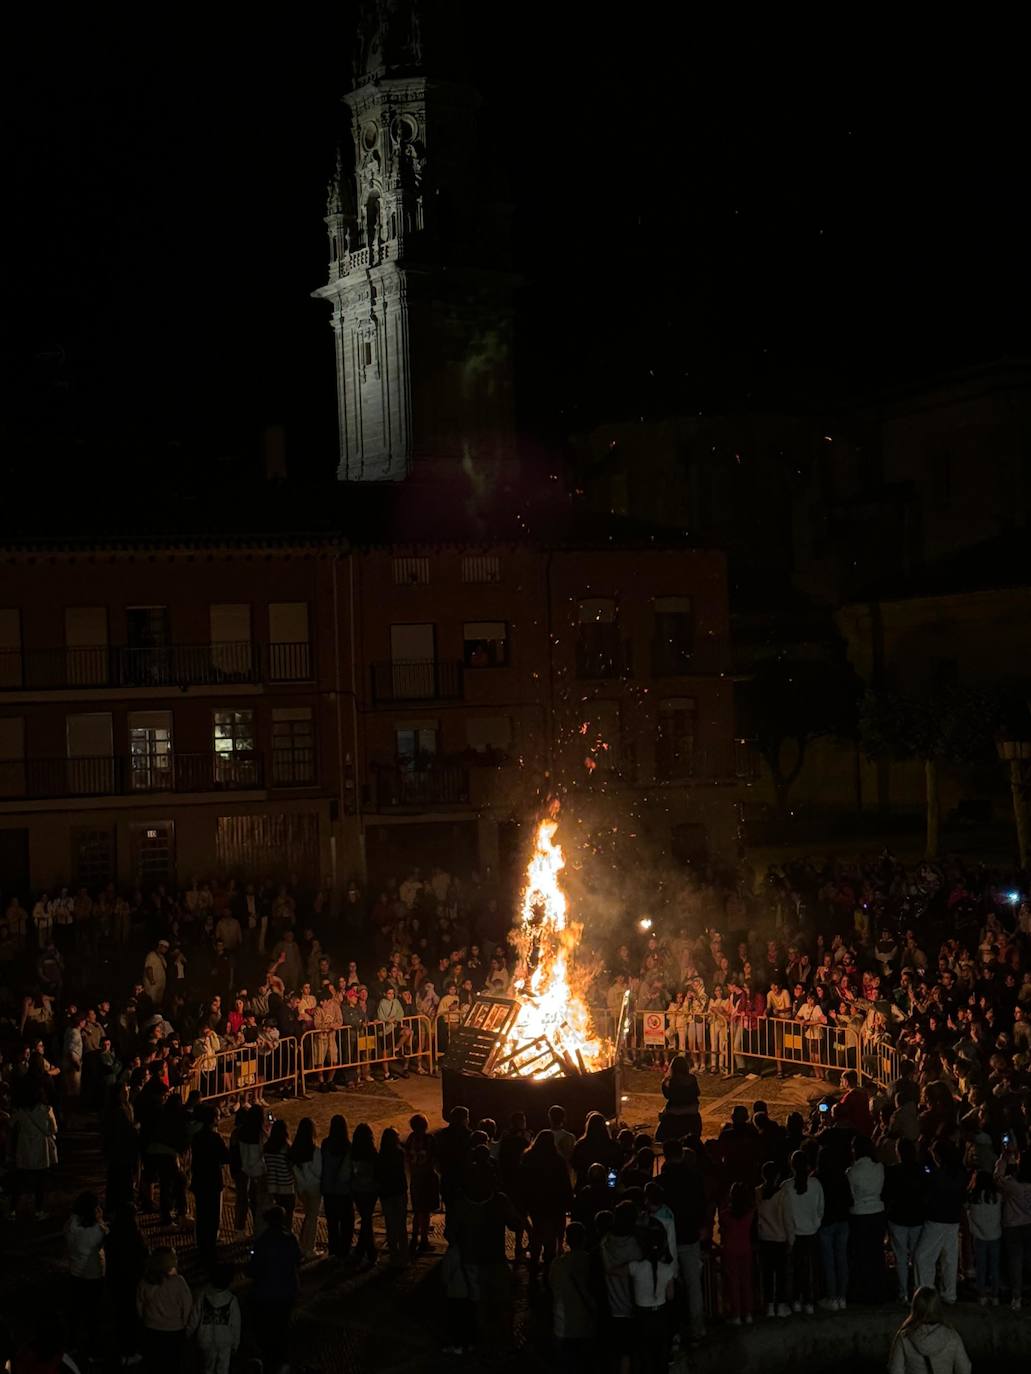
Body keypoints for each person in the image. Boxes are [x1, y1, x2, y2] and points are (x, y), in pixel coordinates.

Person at [247, 1205, 302, 1374]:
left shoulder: (261, 1241)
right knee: (282, 1326)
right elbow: (297, 1259)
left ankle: (266, 1358)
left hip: (265, 1292)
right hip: (286, 1292)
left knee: (265, 1327)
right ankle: (282, 1360)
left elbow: (252, 1269)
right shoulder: (290, 1239)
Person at [517, 1128, 574, 1280]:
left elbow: (523, 1182)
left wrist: (523, 1201)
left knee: (538, 1229)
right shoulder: (557, 1160)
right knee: (552, 1232)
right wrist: (568, 1199)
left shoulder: (528, 1157)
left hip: (536, 1201)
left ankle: (535, 1260)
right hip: (553, 1201)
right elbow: (564, 1182)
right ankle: (549, 1261)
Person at [914, 1140, 966, 1305]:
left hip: (936, 1219)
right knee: (950, 1258)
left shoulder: (937, 1175)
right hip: (953, 1219)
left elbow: (927, 1197)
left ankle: (925, 1294)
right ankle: (950, 1294)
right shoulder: (960, 1173)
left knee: (922, 1257)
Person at [549, 1220, 598, 1372]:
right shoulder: (591, 1261)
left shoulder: (557, 1264)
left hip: (562, 1325)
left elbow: (553, 1288)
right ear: (584, 1239)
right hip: (586, 1325)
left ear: (567, 1240)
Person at [629, 1218, 676, 1374]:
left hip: (642, 1316)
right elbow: (670, 1296)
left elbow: (612, 1270)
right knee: (661, 1357)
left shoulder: (635, 1267)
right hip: (660, 1315)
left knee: (645, 1357)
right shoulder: (667, 1269)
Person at [888, 1286, 971, 1374]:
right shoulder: (952, 1336)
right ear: (938, 1307)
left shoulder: (904, 1337)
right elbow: (965, 1369)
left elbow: (895, 1370)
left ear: (915, 1307)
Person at [136, 1246, 193, 1374]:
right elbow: (187, 1305)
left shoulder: (145, 1282)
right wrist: (184, 1324)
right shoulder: (178, 1282)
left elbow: (139, 1304)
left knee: (155, 1363)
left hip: (151, 1328)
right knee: (172, 1363)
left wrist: (145, 1319)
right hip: (173, 1330)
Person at [781, 1149, 823, 1313]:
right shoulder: (815, 1184)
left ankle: (797, 1300)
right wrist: (815, 1224)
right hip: (811, 1232)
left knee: (797, 1269)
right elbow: (821, 1208)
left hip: (794, 1234)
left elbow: (784, 1213)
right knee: (811, 1269)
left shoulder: (786, 1187)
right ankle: (810, 1301)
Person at [64, 1191, 107, 1356]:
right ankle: (93, 1348)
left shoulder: (70, 1227)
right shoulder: (97, 1231)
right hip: (94, 1275)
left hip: (75, 1273)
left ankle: (72, 1343)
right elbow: (105, 1236)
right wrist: (101, 1220)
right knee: (93, 1313)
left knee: (75, 1310)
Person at [884, 1138, 926, 1303]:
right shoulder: (921, 1170)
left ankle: (903, 1293)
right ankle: (917, 1290)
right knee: (917, 1256)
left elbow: (887, 1194)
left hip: (898, 1217)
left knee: (900, 1257)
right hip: (917, 1218)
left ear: (898, 1152)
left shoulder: (893, 1171)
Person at [8, 1082, 58, 1217]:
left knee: (19, 1180)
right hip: (41, 1150)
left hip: (23, 1149)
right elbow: (54, 1130)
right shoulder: (47, 1110)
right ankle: (38, 1210)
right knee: (40, 1181)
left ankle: (12, 1210)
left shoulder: (20, 1111)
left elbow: (11, 1124)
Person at [847, 1135, 886, 1303]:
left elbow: (852, 1194)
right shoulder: (879, 1167)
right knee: (876, 1253)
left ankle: (862, 1290)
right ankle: (877, 1290)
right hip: (877, 1211)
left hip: (859, 1213)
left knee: (861, 1255)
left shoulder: (852, 1172)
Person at [190, 1104, 229, 1263]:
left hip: (200, 1179)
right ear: (213, 1119)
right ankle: (210, 1248)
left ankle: (201, 1245)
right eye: (218, 1116)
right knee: (212, 1216)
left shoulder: (197, 1136)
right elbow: (226, 1157)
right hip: (212, 1180)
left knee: (202, 1214)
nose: (219, 1119)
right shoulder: (215, 1138)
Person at [994, 1143, 1031, 1310]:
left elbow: (997, 1178)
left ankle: (1016, 1297)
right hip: (1029, 1224)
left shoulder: (1012, 1185)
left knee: (1015, 1262)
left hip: (1013, 1226)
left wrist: (1003, 1159)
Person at [187, 1263, 242, 1374]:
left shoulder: (203, 1296)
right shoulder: (231, 1299)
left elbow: (194, 1317)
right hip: (225, 1341)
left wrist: (187, 1333)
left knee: (207, 1368)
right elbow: (236, 1324)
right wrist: (235, 1344)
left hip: (205, 1339)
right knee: (223, 1369)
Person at [756, 1160, 791, 1318]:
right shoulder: (783, 1194)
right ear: (777, 1176)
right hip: (780, 1238)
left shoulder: (757, 1193)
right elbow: (787, 1218)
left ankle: (769, 1305)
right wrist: (791, 1239)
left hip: (764, 1238)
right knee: (781, 1274)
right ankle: (781, 1305)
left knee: (767, 1274)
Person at [720, 1180, 756, 1324]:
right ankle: (748, 1313)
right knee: (746, 1281)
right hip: (746, 1248)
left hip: (730, 1250)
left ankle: (736, 1315)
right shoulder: (751, 1214)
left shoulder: (724, 1215)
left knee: (734, 1282)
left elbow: (722, 1231)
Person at [404, 1112, 439, 1255]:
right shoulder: (429, 1139)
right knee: (426, 1211)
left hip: (415, 1177)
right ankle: (424, 1240)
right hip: (427, 1177)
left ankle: (413, 1238)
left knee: (417, 1210)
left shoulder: (410, 1139)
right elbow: (434, 1158)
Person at [966, 1170, 1002, 1306]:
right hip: (995, 1235)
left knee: (981, 1267)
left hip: (979, 1236)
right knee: (994, 1267)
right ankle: (995, 1295)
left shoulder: (973, 1197)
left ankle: (981, 1295)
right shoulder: (997, 1196)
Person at [288, 1116, 323, 1258]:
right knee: (312, 1218)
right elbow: (319, 1171)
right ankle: (309, 1248)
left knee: (308, 1216)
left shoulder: (294, 1150)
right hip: (314, 1188)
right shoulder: (315, 1151)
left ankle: (304, 1245)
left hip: (301, 1188)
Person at [321, 1113, 354, 1259]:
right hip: (344, 1191)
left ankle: (333, 1249)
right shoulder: (348, 1146)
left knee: (332, 1223)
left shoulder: (325, 1144)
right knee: (347, 1223)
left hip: (329, 1190)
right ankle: (344, 1251)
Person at [376, 1125, 409, 1267]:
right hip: (398, 1192)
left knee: (390, 1224)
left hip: (386, 1193)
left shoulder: (380, 1156)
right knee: (401, 1224)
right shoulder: (399, 1153)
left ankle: (394, 1253)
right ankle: (404, 1255)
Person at [350, 1121, 379, 1266]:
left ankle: (362, 1251)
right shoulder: (373, 1153)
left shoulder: (353, 1152)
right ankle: (369, 1251)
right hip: (371, 1190)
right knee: (367, 1219)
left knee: (366, 1219)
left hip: (358, 1190)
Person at [656, 1054, 701, 1142]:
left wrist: (664, 1083)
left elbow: (667, 1096)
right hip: (691, 1111)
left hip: (674, 1112)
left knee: (660, 1129)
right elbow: (697, 1093)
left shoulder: (669, 1081)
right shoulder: (692, 1079)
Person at [263, 1118, 296, 1220]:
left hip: (273, 1186)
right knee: (288, 1216)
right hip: (286, 1186)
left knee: (276, 1216)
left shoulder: (267, 1146)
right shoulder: (287, 1147)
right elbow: (292, 1167)